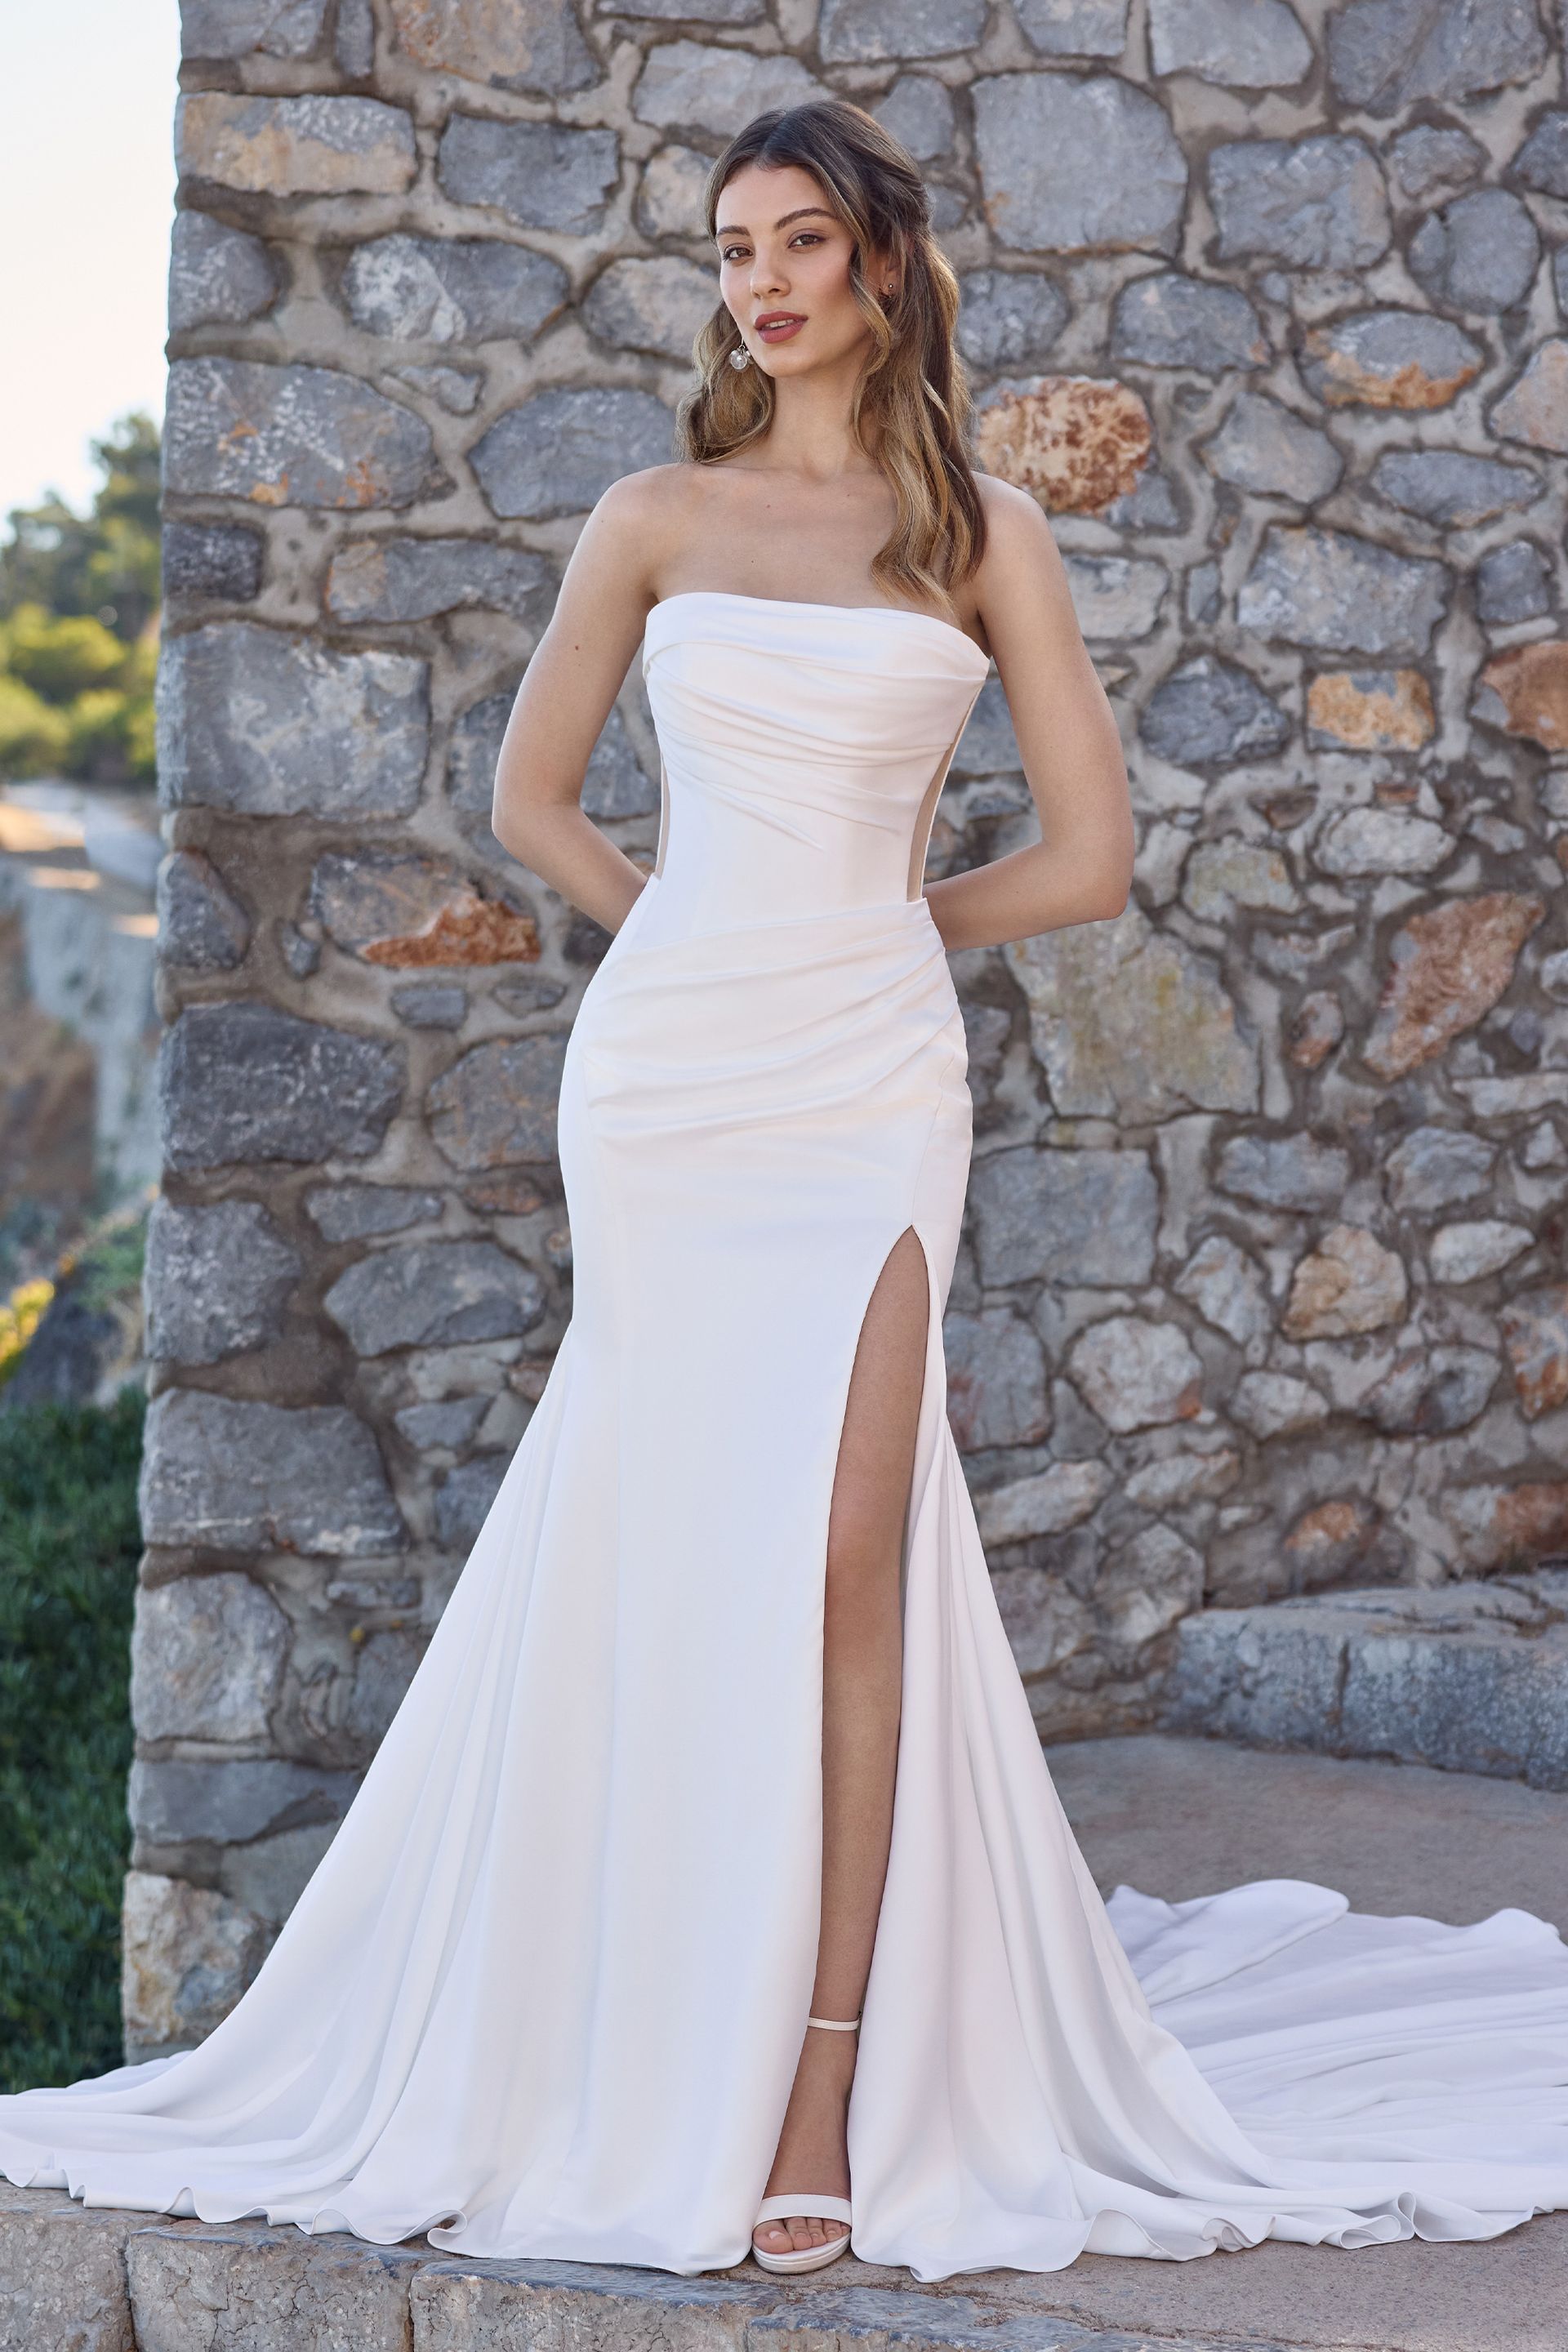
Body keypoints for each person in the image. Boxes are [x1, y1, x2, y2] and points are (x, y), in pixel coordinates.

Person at [2, 98, 1565, 2286]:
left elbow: (1093, 854)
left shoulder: (982, 533)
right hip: (671, 1079)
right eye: (733, 243)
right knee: (666, 1542)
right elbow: (532, 801)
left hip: (869, 1082)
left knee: (849, 1554)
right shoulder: (652, 511)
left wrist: (899, 929)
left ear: (886, 268)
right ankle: (631, 2028)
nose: (764, 277)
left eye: (804, 237)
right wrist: (687, 927)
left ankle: (824, 2078)